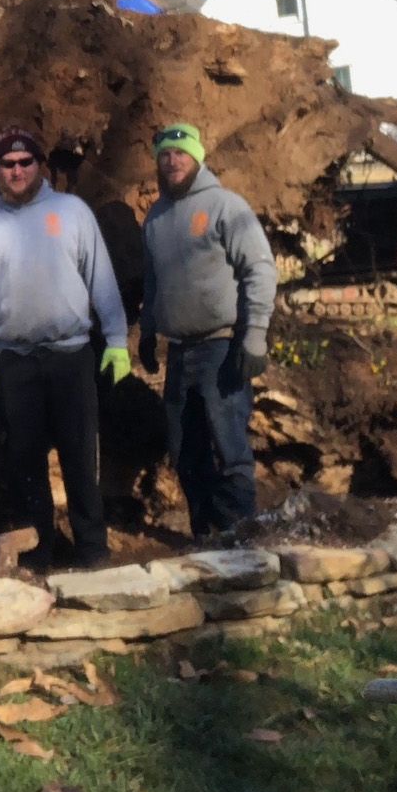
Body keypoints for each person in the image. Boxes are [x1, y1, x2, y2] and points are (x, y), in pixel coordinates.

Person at [0, 126, 131, 571]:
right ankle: (41, 551)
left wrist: (116, 340)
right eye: (7, 164)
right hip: (14, 361)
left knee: (79, 456)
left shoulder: (71, 212)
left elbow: (101, 279)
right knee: (25, 463)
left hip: (71, 356)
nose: (16, 171)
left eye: (24, 162)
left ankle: (92, 549)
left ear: (40, 167)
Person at [138, 122, 277, 542]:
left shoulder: (225, 206)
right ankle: (205, 535)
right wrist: (147, 331)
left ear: (198, 157)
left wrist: (254, 335)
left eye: (181, 153)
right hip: (180, 352)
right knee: (184, 449)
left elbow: (260, 268)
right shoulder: (157, 218)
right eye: (164, 154)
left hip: (223, 345)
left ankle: (242, 539)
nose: (172, 160)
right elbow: (152, 280)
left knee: (228, 445)